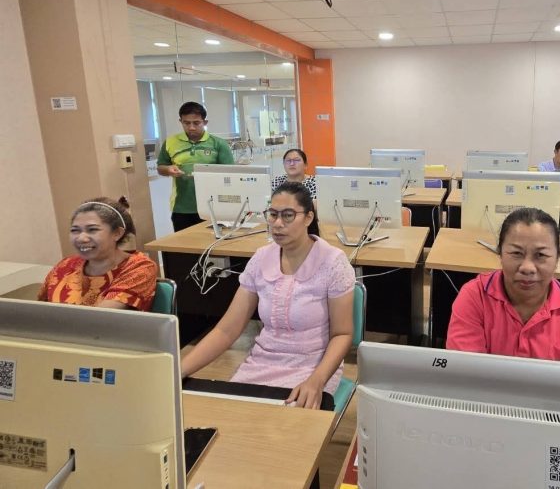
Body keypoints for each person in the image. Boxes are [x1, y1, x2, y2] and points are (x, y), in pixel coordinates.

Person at [180, 181, 355, 409]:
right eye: (273, 215)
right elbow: (227, 330)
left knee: (283, 424)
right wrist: (179, 370)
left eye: (288, 215)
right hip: (261, 364)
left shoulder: (332, 262)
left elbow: (342, 334)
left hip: (312, 367)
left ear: (308, 218)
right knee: (230, 416)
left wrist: (316, 380)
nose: (278, 224)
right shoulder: (261, 258)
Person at [446, 207, 560, 364]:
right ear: (500, 253)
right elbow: (463, 372)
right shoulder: (475, 297)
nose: (527, 268)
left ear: (557, 258)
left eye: (541, 255)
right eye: (516, 253)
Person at [38, 197, 158, 310]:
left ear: (117, 233)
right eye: (75, 230)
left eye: (92, 230)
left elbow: (98, 318)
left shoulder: (139, 267)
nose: (81, 238)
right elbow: (40, 310)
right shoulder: (65, 265)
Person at [157, 101, 235, 232]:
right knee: (185, 243)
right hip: (182, 207)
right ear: (180, 121)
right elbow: (161, 167)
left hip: (213, 206)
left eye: (196, 123)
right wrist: (168, 170)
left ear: (205, 122)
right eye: (186, 123)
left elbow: (230, 174)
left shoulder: (218, 144)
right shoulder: (170, 142)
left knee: (213, 242)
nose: (191, 127)